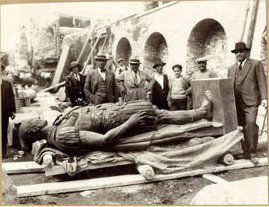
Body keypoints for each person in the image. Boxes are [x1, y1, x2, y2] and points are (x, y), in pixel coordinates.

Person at [17, 91, 213, 156]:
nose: (35, 117)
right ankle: (201, 113)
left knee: (162, 115)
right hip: (118, 119)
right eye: (32, 120)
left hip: (112, 111)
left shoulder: (56, 127)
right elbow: (103, 140)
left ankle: (199, 113)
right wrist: (130, 122)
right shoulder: (62, 135)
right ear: (35, 128)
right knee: (163, 116)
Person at [228, 42, 267, 163]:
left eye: (241, 51)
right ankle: (245, 151)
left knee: (250, 125)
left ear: (246, 52)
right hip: (236, 103)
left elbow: (262, 81)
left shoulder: (255, 64)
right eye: (236, 52)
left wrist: (265, 98)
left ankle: (253, 152)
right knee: (241, 127)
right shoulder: (231, 68)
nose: (239, 54)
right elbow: (228, 86)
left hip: (251, 102)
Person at [1, 64, 16, 158]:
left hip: (4, 113)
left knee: (3, 131)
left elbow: (11, 98)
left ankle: (3, 152)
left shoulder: (7, 84)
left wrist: (12, 111)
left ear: (2, 71)